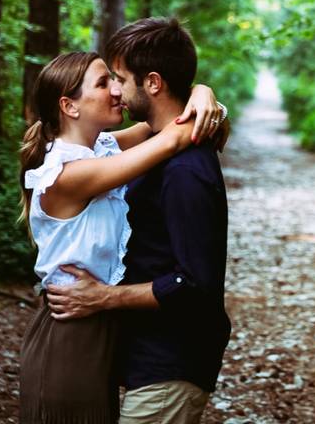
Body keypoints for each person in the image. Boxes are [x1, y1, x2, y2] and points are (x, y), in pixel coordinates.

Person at [17, 49, 227, 423]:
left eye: (116, 79)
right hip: (71, 331)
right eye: (103, 82)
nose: (116, 90)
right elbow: (171, 138)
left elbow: (164, 118)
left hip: (103, 328)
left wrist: (202, 93)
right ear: (70, 106)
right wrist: (202, 101)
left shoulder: (102, 148)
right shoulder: (68, 174)